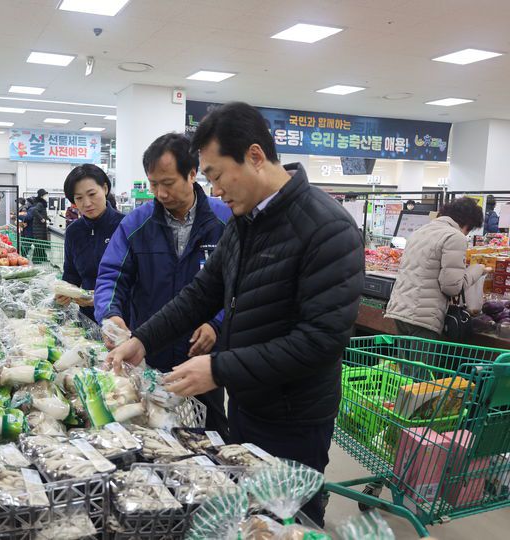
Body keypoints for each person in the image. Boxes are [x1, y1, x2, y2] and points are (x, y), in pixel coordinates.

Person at [106, 103, 365, 526]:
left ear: (255, 156)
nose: (214, 188)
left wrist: (219, 368)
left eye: (216, 174)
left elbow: (320, 340)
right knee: (249, 518)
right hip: (246, 403)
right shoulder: (246, 223)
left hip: (294, 418)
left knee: (290, 521)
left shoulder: (327, 228)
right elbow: (200, 295)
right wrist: (143, 339)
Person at [95, 132, 232, 438]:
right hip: (148, 350)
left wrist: (217, 324)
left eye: (168, 183)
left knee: (209, 434)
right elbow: (112, 275)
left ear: (192, 174)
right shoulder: (136, 224)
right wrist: (111, 313)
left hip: (202, 357)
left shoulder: (226, 221)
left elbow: (238, 287)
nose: (160, 193)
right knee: (149, 431)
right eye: (153, 184)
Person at [386, 197, 487, 339]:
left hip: (400, 309)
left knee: (405, 355)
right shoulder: (455, 237)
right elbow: (452, 287)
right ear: (468, 223)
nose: (466, 233)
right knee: (421, 355)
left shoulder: (420, 231)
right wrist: (477, 269)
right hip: (423, 317)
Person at [56, 165, 125, 321]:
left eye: (92, 194)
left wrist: (100, 298)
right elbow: (71, 274)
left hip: (122, 318)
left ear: (105, 188)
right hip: (87, 320)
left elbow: (139, 281)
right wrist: (64, 292)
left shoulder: (125, 226)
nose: (86, 203)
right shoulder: (74, 232)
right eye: (79, 198)